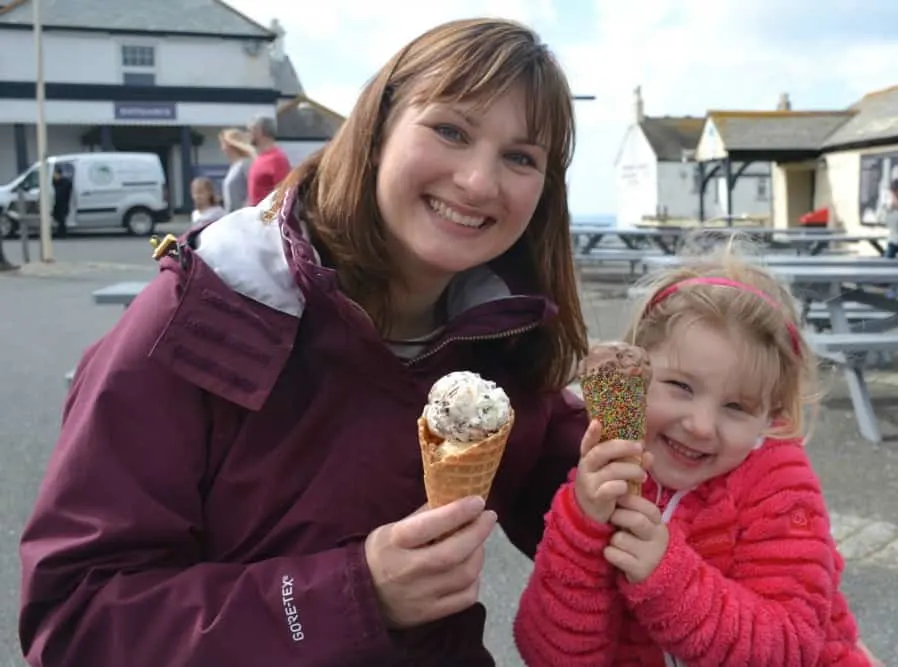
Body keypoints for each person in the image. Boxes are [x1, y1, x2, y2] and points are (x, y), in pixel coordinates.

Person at [19, 18, 587, 667]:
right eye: (452, 130)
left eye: (521, 156)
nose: (480, 182)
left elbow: (612, 517)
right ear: (377, 130)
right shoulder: (205, 312)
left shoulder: (507, 338)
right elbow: (74, 621)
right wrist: (352, 593)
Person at [514, 244, 884, 666]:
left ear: (772, 415)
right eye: (681, 387)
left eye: (736, 407)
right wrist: (579, 528)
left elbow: (791, 647)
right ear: (635, 374)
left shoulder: (779, 486)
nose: (702, 425)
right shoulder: (604, 481)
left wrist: (665, 577)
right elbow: (550, 656)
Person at [246, 114, 291, 205]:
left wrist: (267, 217)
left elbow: (283, 195)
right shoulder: (259, 158)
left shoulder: (277, 159)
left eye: (250, 130)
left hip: (266, 217)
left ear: (259, 131)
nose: (248, 134)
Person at [218, 128, 255, 212]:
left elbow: (251, 190)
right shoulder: (234, 166)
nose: (222, 148)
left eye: (223, 144)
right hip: (232, 215)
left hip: (242, 215)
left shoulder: (246, 164)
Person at [50, 165, 73, 237]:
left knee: (62, 219)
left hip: (63, 203)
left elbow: (63, 193)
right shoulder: (54, 182)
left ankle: (62, 234)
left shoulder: (65, 182)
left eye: (55, 174)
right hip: (56, 203)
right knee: (59, 218)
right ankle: (61, 232)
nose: (54, 176)